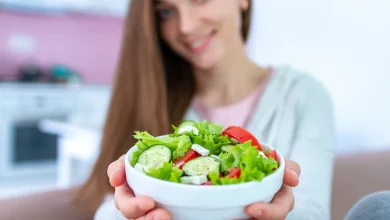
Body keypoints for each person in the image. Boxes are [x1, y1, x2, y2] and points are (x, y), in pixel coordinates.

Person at [0, 0, 335, 220]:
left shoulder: (303, 96)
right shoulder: (152, 94)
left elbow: (312, 212)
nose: (186, 26)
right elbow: (107, 211)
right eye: (165, 11)